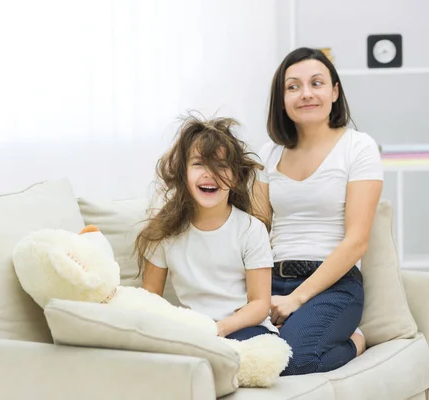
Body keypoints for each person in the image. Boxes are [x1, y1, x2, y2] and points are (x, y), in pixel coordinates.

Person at [253, 47, 384, 375]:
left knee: (292, 359)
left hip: (334, 285)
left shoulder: (358, 147)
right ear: (281, 98)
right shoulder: (268, 154)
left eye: (316, 83)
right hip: (271, 280)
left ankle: (355, 342)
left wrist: (295, 299)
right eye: (293, 86)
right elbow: (255, 230)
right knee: (239, 352)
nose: (306, 93)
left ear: (335, 91)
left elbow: (356, 241)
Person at [136, 114, 277, 341]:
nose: (209, 174)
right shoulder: (164, 232)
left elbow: (260, 304)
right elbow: (150, 299)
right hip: (194, 331)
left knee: (255, 357)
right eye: (199, 163)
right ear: (183, 173)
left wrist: (220, 328)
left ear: (235, 176)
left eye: (221, 166)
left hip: (244, 328)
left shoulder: (251, 229)